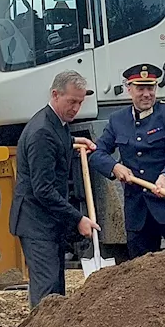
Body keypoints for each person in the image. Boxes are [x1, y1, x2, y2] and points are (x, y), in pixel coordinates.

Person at [11, 70, 100, 308]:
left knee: (57, 291)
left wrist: (73, 143)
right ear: (55, 94)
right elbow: (43, 189)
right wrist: (78, 218)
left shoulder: (57, 124)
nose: (76, 108)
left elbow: (54, 145)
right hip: (35, 223)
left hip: (48, 222)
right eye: (72, 101)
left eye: (80, 102)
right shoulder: (42, 131)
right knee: (47, 292)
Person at [88, 62, 165, 258]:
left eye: (151, 88)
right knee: (140, 273)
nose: (147, 94)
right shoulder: (117, 120)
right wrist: (114, 167)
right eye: (140, 88)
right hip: (139, 212)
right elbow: (96, 153)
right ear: (129, 89)